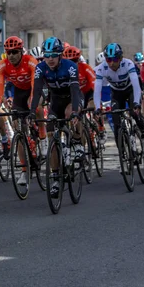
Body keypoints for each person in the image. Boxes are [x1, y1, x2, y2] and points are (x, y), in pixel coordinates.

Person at [29, 37, 82, 198]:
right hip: (56, 101)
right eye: (47, 55)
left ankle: (78, 143)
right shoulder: (40, 68)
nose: (50, 59)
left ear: (60, 55)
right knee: (52, 134)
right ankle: (55, 178)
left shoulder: (71, 67)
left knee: (69, 114)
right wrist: (32, 112)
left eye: (53, 55)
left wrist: (74, 112)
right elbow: (37, 91)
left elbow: (74, 91)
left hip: (71, 98)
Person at [0, 36, 43, 185]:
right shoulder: (3, 65)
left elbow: (35, 86)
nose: (12, 56)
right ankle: (24, 171)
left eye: (15, 52)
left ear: (21, 51)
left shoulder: (30, 61)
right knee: (17, 130)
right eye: (8, 52)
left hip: (33, 91)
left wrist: (33, 108)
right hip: (19, 94)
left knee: (36, 105)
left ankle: (42, 135)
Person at [93, 43, 144, 153]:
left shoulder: (128, 64)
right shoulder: (101, 68)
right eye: (109, 60)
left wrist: (136, 103)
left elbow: (136, 86)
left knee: (134, 113)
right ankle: (122, 152)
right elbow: (97, 90)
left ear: (120, 58)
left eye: (115, 59)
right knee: (116, 122)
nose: (112, 63)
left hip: (131, 90)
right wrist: (97, 108)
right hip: (117, 93)